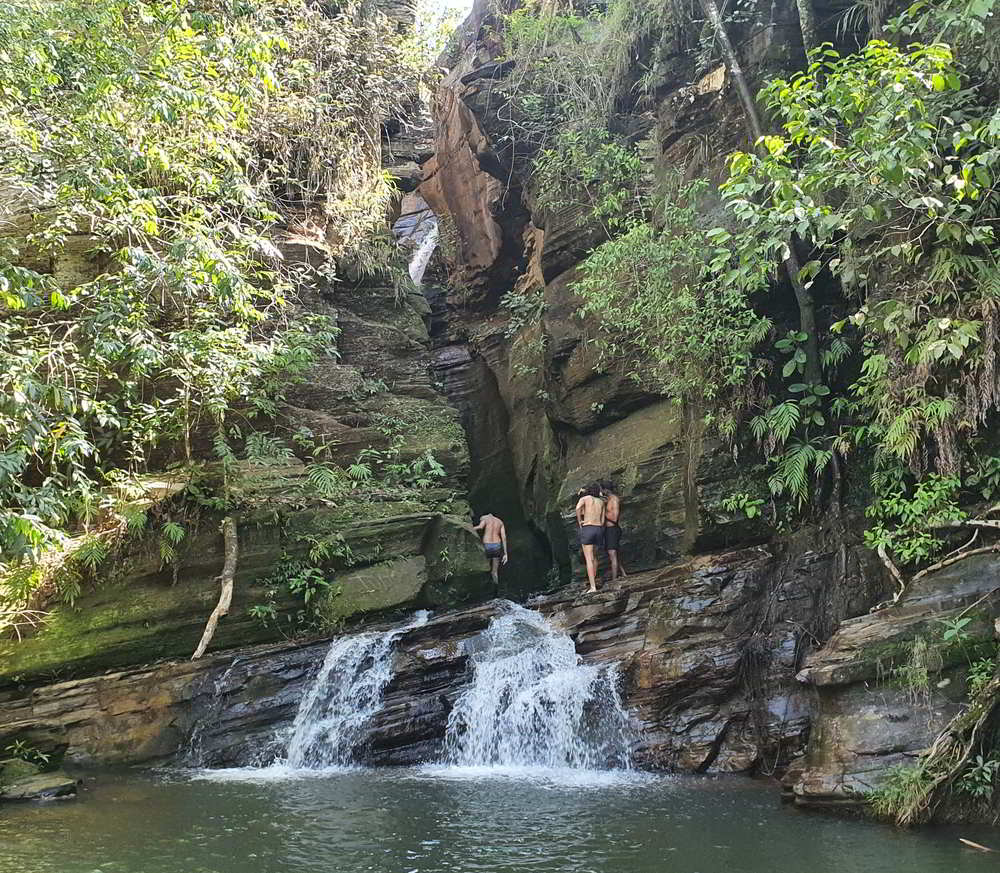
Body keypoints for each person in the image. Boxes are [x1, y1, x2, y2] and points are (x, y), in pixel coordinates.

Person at [575, 484, 605, 594]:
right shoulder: (601, 502)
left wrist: (580, 521)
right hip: (599, 529)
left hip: (588, 528)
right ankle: (592, 579)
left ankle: (593, 587)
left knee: (589, 559)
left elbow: (578, 508)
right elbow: (602, 520)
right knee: (594, 557)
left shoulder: (585, 498)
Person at [600, 480, 627, 582]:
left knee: (612, 554)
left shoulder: (614, 499)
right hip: (608, 530)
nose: (601, 491)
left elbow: (614, 517)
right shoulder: (609, 499)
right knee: (615, 553)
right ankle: (623, 573)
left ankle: (614, 579)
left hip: (612, 529)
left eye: (602, 489)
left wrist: (603, 511)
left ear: (606, 490)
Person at [474, 512, 508, 589]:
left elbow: (480, 527)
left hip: (487, 544)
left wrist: (470, 528)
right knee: (494, 572)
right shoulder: (499, 521)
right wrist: (506, 554)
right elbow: (504, 538)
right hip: (497, 545)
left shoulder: (484, 518)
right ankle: (496, 590)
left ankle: (483, 588)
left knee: (485, 566)